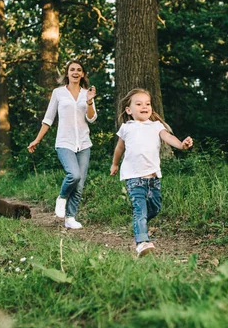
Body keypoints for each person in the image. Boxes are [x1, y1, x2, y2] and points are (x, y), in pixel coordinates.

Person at [110, 88, 193, 256]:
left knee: (154, 208)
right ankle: (142, 242)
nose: (144, 106)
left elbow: (168, 138)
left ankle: (138, 225)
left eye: (147, 104)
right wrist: (114, 164)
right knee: (140, 211)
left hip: (153, 178)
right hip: (134, 178)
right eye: (139, 104)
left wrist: (181, 145)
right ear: (129, 110)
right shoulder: (127, 127)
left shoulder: (156, 126)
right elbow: (119, 148)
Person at [28, 60, 97, 229]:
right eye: (72, 69)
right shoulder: (58, 93)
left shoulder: (86, 94)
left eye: (79, 70)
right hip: (64, 142)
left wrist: (89, 101)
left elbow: (92, 118)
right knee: (74, 175)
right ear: (67, 73)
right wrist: (37, 139)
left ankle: (70, 218)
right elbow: (48, 118)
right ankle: (62, 197)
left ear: (83, 74)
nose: (75, 72)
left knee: (80, 185)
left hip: (84, 143)